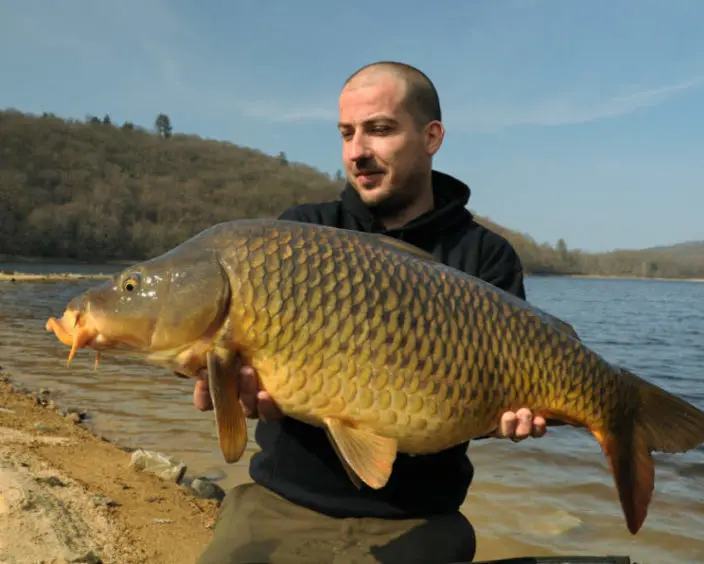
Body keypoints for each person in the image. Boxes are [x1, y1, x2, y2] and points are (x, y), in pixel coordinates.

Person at [194, 61, 549, 564]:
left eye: (379, 129)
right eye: (347, 134)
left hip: (420, 517)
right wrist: (226, 382)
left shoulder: (484, 257)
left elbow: (492, 401)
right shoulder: (298, 235)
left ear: (431, 137)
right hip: (282, 501)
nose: (358, 151)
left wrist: (505, 418)